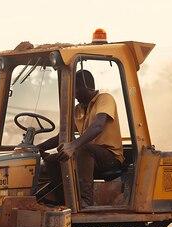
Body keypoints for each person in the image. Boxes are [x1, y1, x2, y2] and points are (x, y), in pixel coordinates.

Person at [37, 69, 123, 206]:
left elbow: (98, 126)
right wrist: (39, 148)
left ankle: (85, 200)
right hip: (87, 157)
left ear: (85, 86)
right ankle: (64, 200)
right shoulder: (78, 109)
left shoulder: (105, 99)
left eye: (75, 90)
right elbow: (62, 136)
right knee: (53, 159)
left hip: (110, 157)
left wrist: (73, 146)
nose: (74, 95)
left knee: (83, 149)